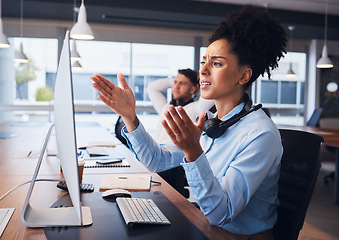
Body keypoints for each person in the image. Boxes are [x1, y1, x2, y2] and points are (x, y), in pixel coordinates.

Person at [91, 5, 286, 239]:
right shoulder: (210, 122)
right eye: (204, 61)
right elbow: (157, 160)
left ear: (243, 76)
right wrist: (129, 116)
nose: (202, 70)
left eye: (216, 63)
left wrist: (194, 152)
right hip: (203, 225)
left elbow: (220, 213)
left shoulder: (260, 134)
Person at [148, 68, 214, 143]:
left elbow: (213, 89)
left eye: (182, 83)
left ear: (193, 89)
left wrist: (199, 81)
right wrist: (176, 80)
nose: (176, 86)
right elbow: (152, 87)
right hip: (155, 152)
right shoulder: (166, 107)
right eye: (175, 82)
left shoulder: (197, 108)